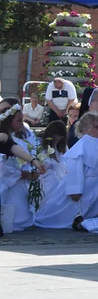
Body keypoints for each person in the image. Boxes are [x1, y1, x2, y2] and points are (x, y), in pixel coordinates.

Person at [0, 98, 45, 232]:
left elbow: (15, 148)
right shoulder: (3, 135)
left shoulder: (8, 136)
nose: (21, 124)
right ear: (9, 121)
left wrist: (34, 161)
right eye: (18, 121)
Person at [66, 112, 98, 229]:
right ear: (85, 128)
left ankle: (90, 221)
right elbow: (75, 168)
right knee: (83, 206)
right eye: (96, 127)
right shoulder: (81, 145)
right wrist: (75, 189)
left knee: (97, 208)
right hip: (85, 184)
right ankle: (79, 220)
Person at [33, 121, 80, 230]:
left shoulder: (62, 147)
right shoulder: (40, 143)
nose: (59, 138)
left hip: (60, 175)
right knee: (53, 181)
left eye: (61, 136)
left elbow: (65, 163)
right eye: (57, 135)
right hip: (44, 175)